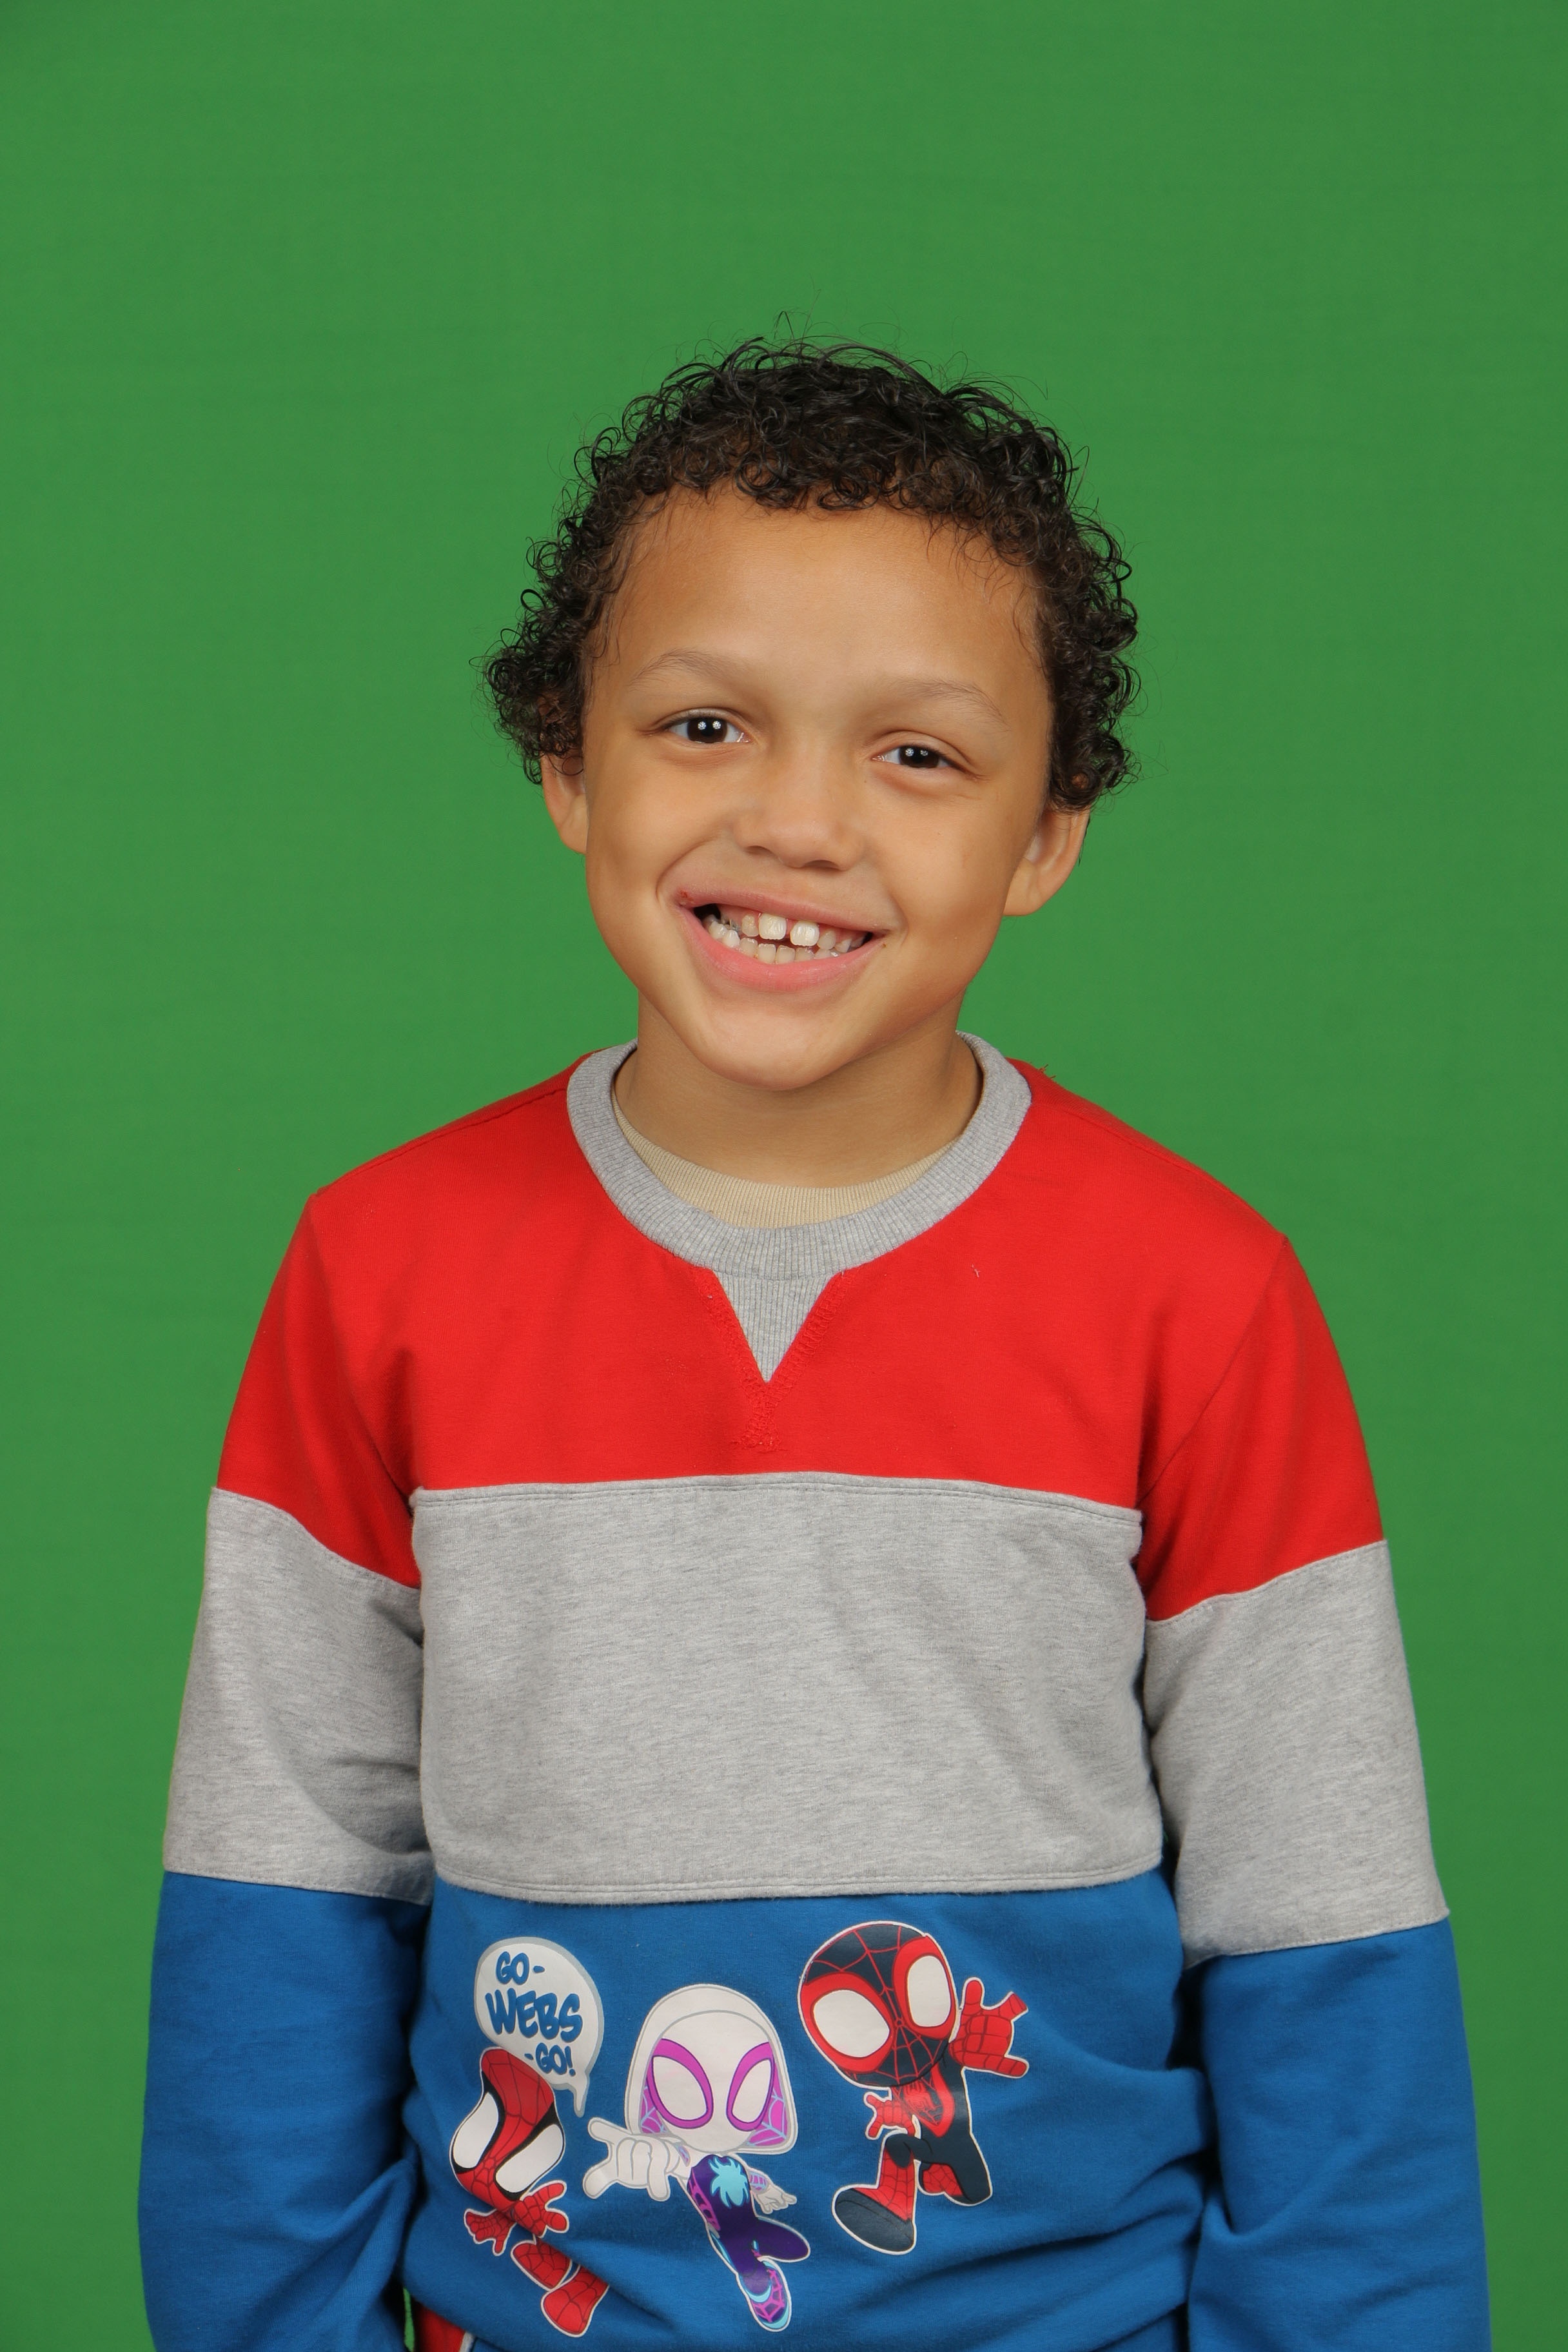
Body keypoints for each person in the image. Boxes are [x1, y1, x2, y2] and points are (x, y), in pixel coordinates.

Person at [139, 342, 1489, 2351]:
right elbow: (280, 1905)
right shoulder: (379, 1268)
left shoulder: (1201, 1294)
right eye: (704, 725)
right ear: (569, 767)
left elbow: (1326, 1935)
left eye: (918, 755)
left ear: (1047, 833)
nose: (797, 821)